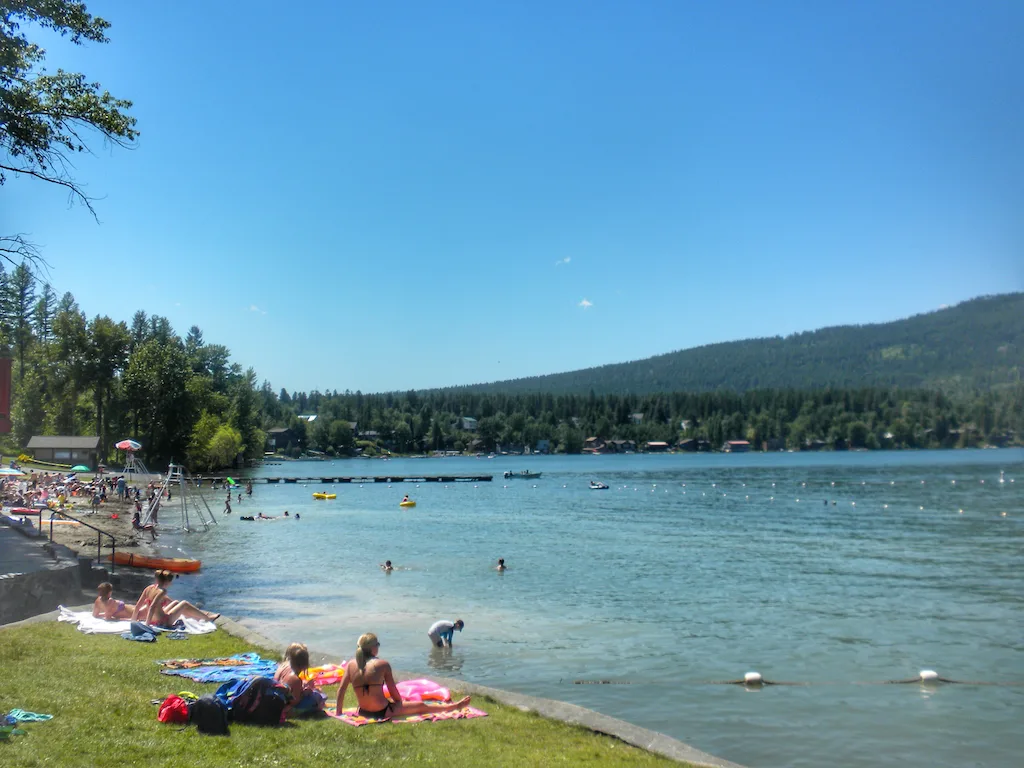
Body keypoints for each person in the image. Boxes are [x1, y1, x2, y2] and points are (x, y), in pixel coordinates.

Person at [336, 633, 470, 720]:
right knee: (421, 705)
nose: (378, 647)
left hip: (363, 711)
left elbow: (341, 690)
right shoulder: (383, 664)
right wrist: (399, 704)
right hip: (383, 711)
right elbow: (394, 692)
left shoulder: (351, 665)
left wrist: (338, 713)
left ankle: (454, 706)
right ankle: (454, 707)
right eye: (378, 644)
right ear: (373, 648)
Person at [132, 569, 219, 627]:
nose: (171, 584)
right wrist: (147, 626)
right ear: (167, 581)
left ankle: (198, 617)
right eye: (171, 582)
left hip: (154, 620)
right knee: (184, 603)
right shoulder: (162, 591)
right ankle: (208, 618)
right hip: (163, 622)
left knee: (176, 603)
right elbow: (152, 607)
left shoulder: (149, 588)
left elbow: (138, 606)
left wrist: (133, 621)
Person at [274, 642, 326, 718]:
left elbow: (287, 686)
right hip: (286, 706)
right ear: (305, 664)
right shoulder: (295, 679)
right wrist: (303, 693)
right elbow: (295, 701)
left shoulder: (284, 665)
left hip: (277, 698)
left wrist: (300, 688)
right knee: (317, 697)